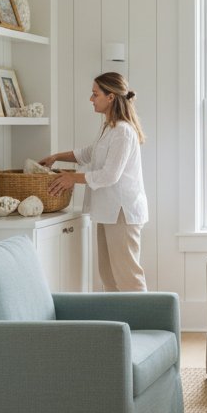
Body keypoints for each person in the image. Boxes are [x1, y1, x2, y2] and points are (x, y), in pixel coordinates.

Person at [42, 72, 149, 292]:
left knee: (128, 277)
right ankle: (119, 325)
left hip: (122, 213)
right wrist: (56, 157)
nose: (91, 99)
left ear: (110, 97)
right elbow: (88, 153)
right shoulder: (109, 128)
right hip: (109, 212)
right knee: (109, 276)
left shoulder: (123, 132)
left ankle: (145, 325)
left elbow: (110, 175)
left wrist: (73, 178)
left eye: (95, 94)